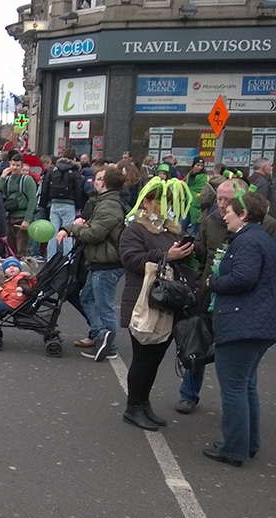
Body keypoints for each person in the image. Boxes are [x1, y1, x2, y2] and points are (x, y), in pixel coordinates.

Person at [203, 189, 276, 466]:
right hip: (259, 325)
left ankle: (233, 449)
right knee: (247, 387)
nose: (225, 216)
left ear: (243, 214)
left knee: (234, 388)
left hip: (242, 322)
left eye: (229, 213)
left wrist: (214, 283)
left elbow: (244, 277)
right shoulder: (263, 238)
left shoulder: (246, 241)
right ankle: (249, 443)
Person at [118, 177, 196, 431]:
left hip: (166, 302)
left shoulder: (171, 230)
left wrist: (188, 250)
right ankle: (133, 407)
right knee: (142, 358)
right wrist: (165, 255)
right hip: (143, 301)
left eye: (169, 203)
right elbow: (131, 260)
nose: (165, 207)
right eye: (161, 202)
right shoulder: (134, 230)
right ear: (147, 202)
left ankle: (143, 403)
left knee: (155, 358)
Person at [56, 166, 126, 362]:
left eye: (98, 179)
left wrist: (74, 230)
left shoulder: (108, 205)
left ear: (103, 183)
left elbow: (95, 233)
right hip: (100, 261)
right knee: (87, 297)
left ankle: (109, 345)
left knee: (104, 306)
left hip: (107, 262)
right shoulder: (104, 202)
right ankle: (100, 334)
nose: (94, 181)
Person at [39, 148, 84, 260]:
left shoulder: (53, 170)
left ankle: (51, 258)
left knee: (53, 231)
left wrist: (43, 204)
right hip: (69, 203)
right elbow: (78, 190)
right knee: (68, 231)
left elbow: (45, 188)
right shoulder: (74, 172)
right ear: (74, 158)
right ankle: (68, 258)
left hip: (54, 202)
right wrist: (79, 206)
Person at [0, 152, 38, 257]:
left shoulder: (27, 180)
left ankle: (23, 272)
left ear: (22, 166)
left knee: (22, 251)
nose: (14, 168)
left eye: (17, 165)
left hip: (22, 217)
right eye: (13, 165)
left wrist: (27, 219)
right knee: (9, 250)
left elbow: (32, 200)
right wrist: (2, 177)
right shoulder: (7, 179)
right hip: (9, 217)